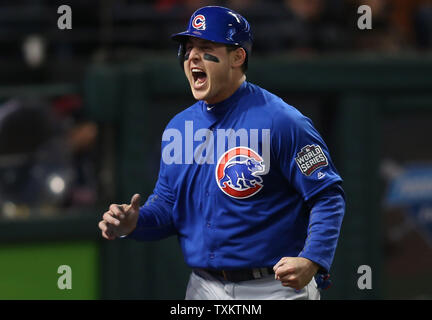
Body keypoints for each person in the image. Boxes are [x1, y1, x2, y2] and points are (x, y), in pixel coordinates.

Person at [98, 6, 345, 300]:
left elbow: (327, 196)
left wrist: (312, 259)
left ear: (238, 57)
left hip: (275, 287)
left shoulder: (283, 121)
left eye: (205, 47)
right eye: (188, 49)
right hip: (204, 286)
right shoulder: (179, 128)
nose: (191, 57)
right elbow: (167, 206)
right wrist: (134, 224)